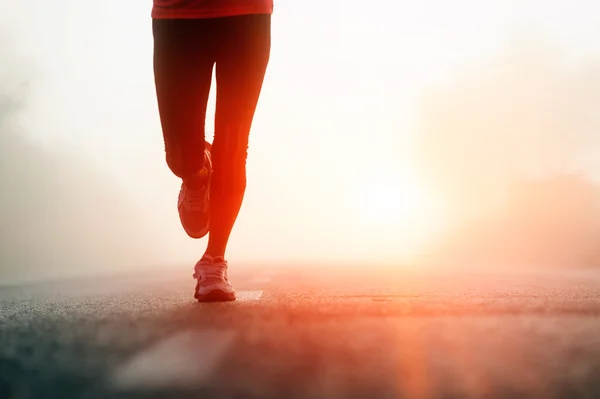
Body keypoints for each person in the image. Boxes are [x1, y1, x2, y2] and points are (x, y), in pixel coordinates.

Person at [151, 0, 273, 302]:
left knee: (232, 143)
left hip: (247, 13)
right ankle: (196, 173)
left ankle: (214, 261)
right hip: (178, 14)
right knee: (179, 156)